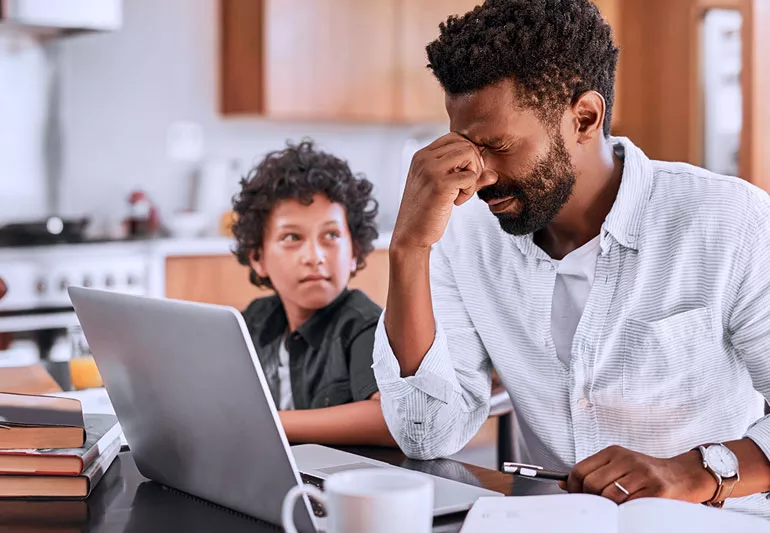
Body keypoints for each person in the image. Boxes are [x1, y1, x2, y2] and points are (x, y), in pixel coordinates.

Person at [373, 0, 770, 516]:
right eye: (468, 146)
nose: (480, 174)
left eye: (499, 146)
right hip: (551, 519)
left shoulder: (731, 222)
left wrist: (697, 470)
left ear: (584, 118)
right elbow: (425, 433)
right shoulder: (461, 232)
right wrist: (409, 250)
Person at [232, 140, 394, 447]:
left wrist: (271, 423)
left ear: (355, 252)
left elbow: (388, 419)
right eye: (292, 237)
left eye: (331, 235)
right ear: (258, 258)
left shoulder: (364, 325)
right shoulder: (254, 320)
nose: (314, 255)